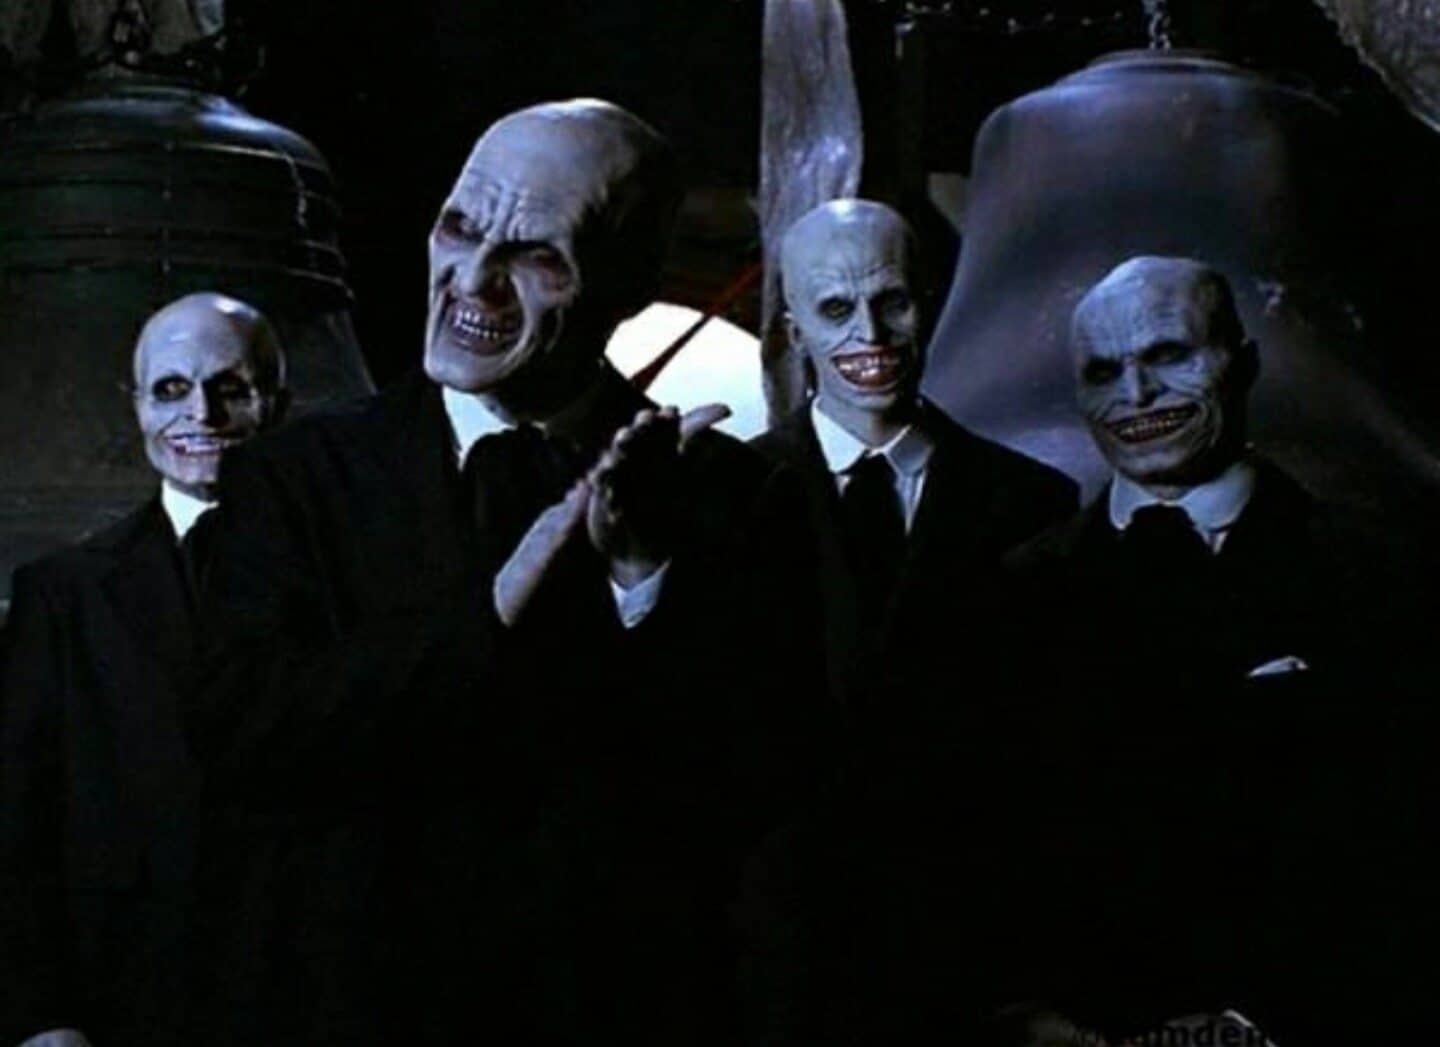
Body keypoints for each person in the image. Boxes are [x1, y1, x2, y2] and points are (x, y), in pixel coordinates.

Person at [188, 98, 821, 1045]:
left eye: (536, 257)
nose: (472, 281)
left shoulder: (735, 494)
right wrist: (496, 605)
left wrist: (643, 575)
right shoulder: (295, 478)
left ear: (630, 285)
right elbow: (248, 737)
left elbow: (756, 797)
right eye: (459, 227)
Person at [0, 292, 288, 1047]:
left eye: (231, 388)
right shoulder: (62, 596)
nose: (202, 414)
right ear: (135, 407)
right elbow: (17, 826)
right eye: (171, 389)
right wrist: (42, 1018)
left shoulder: (352, 577)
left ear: (278, 403)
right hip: (123, 1009)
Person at [750, 198, 1074, 738]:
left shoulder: (1032, 500)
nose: (871, 333)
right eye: (837, 309)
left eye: (893, 302)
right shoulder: (732, 489)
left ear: (929, 305)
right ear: (796, 333)